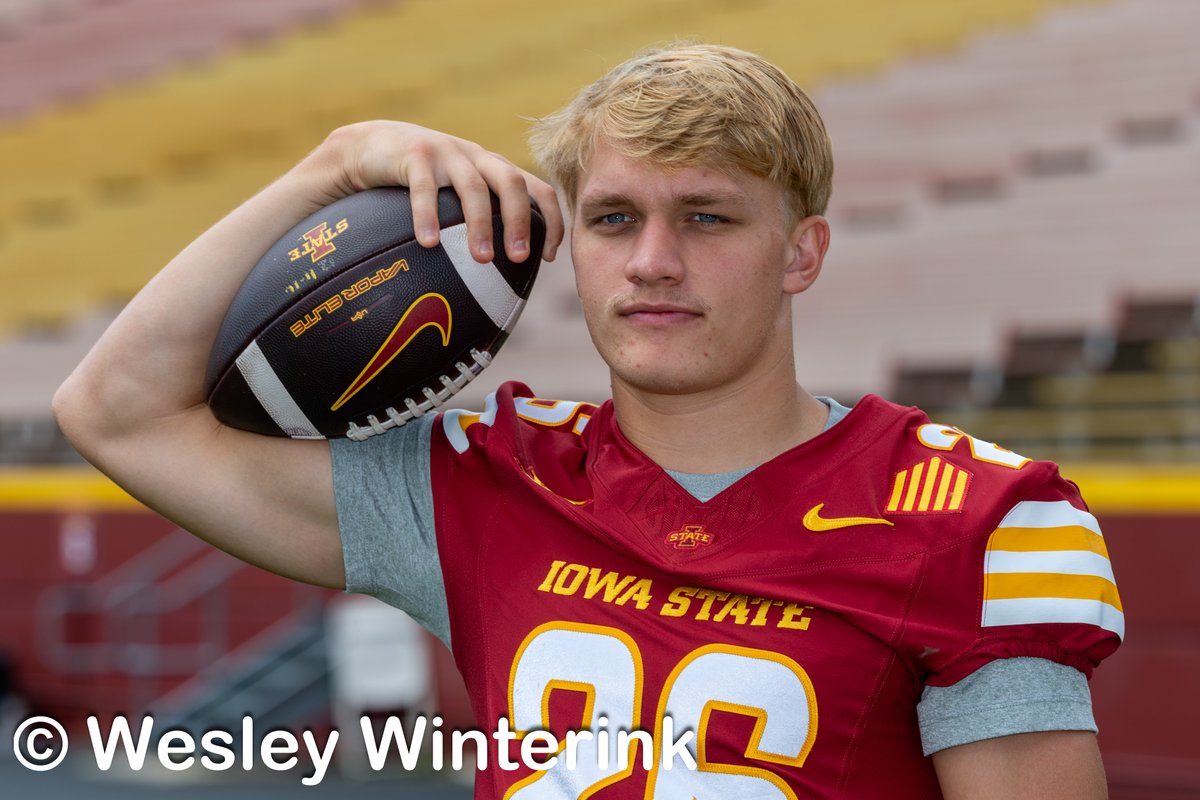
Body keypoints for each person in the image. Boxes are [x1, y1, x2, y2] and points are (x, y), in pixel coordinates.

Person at [55, 44, 1121, 798]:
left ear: (802, 252)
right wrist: (332, 165)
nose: (654, 260)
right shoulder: (480, 483)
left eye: (707, 216)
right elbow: (113, 410)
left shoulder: (978, 518)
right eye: (616, 218)